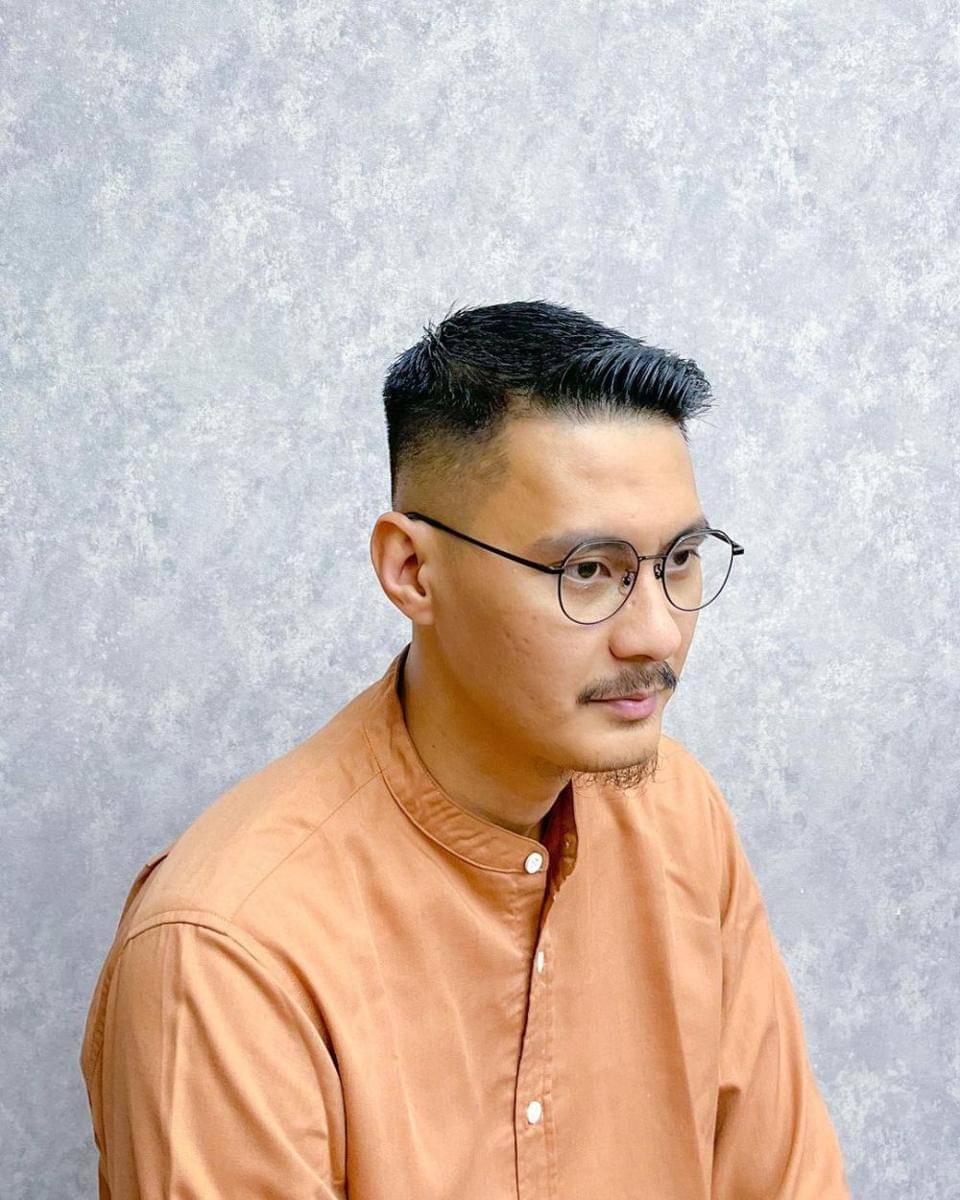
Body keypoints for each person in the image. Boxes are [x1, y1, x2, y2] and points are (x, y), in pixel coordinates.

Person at [79, 299, 851, 1198]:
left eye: (679, 559)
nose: (657, 634)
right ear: (412, 571)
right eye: (587, 571)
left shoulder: (678, 814)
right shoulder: (228, 948)